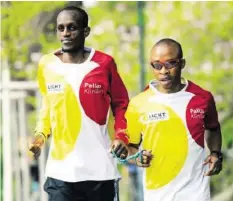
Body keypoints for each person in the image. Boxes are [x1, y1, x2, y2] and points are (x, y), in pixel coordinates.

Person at [29, 6, 129, 201]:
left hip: (100, 172)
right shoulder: (46, 65)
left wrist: (121, 136)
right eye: (61, 28)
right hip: (61, 173)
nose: (65, 33)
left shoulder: (104, 64)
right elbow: (48, 107)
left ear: (86, 32)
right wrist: (40, 136)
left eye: (72, 27)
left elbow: (122, 103)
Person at [125, 38, 223, 201]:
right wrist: (137, 158)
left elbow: (213, 127)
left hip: (196, 193)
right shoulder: (138, 103)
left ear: (182, 63)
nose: (164, 71)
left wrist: (215, 153)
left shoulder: (202, 98)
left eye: (170, 63)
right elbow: (130, 147)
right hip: (157, 194)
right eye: (157, 65)